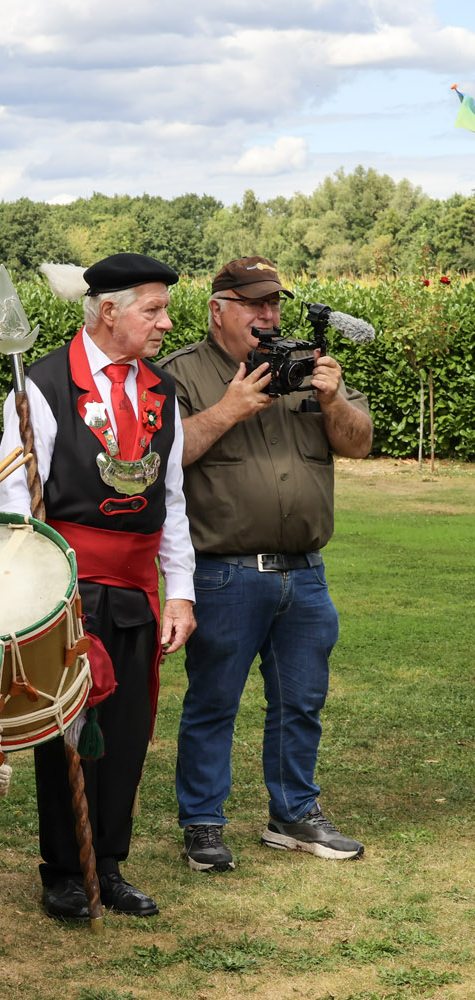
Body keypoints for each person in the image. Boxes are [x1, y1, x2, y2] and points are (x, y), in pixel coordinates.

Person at [0, 252, 196, 920]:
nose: (166, 321)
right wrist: (33, 602)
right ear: (108, 311)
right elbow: (13, 513)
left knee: (130, 729)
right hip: (69, 589)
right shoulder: (40, 390)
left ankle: (107, 864)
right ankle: (63, 870)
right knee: (70, 732)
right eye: (154, 309)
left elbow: (172, 499)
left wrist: (180, 592)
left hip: (138, 589)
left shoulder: (163, 393)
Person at [161, 256, 372, 872]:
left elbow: (358, 442)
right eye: (254, 303)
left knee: (301, 700)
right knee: (213, 702)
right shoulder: (180, 375)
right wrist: (230, 407)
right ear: (218, 309)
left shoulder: (308, 365)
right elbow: (160, 460)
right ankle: (202, 824)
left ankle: (294, 816)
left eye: (274, 303)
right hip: (224, 571)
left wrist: (331, 399)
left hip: (305, 570)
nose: (268, 315)